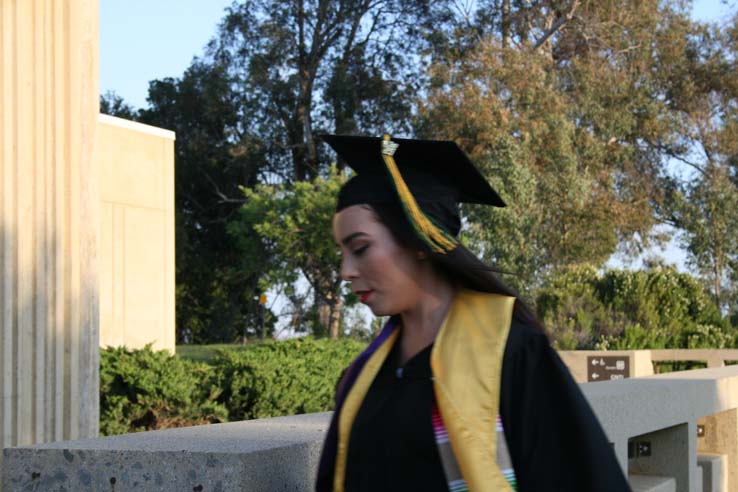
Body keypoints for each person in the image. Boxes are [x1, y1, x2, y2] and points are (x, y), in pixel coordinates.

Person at [315, 134, 630, 492]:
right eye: (343, 252)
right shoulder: (364, 376)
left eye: (360, 248)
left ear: (420, 239)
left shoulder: (512, 355)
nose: (346, 271)